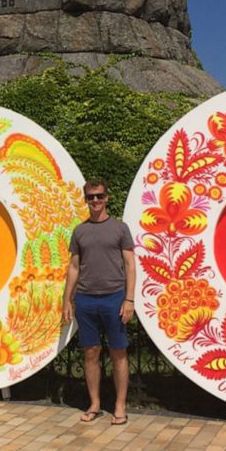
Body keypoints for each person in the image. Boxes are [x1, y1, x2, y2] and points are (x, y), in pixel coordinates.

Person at [61, 178, 136, 425]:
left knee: (118, 352)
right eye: (91, 197)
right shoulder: (79, 231)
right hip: (85, 299)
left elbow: (129, 265)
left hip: (114, 298)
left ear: (107, 197)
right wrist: (67, 300)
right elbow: (74, 267)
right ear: (86, 200)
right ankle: (94, 403)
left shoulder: (120, 229)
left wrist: (129, 299)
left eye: (99, 196)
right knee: (91, 352)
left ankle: (119, 405)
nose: (95, 201)